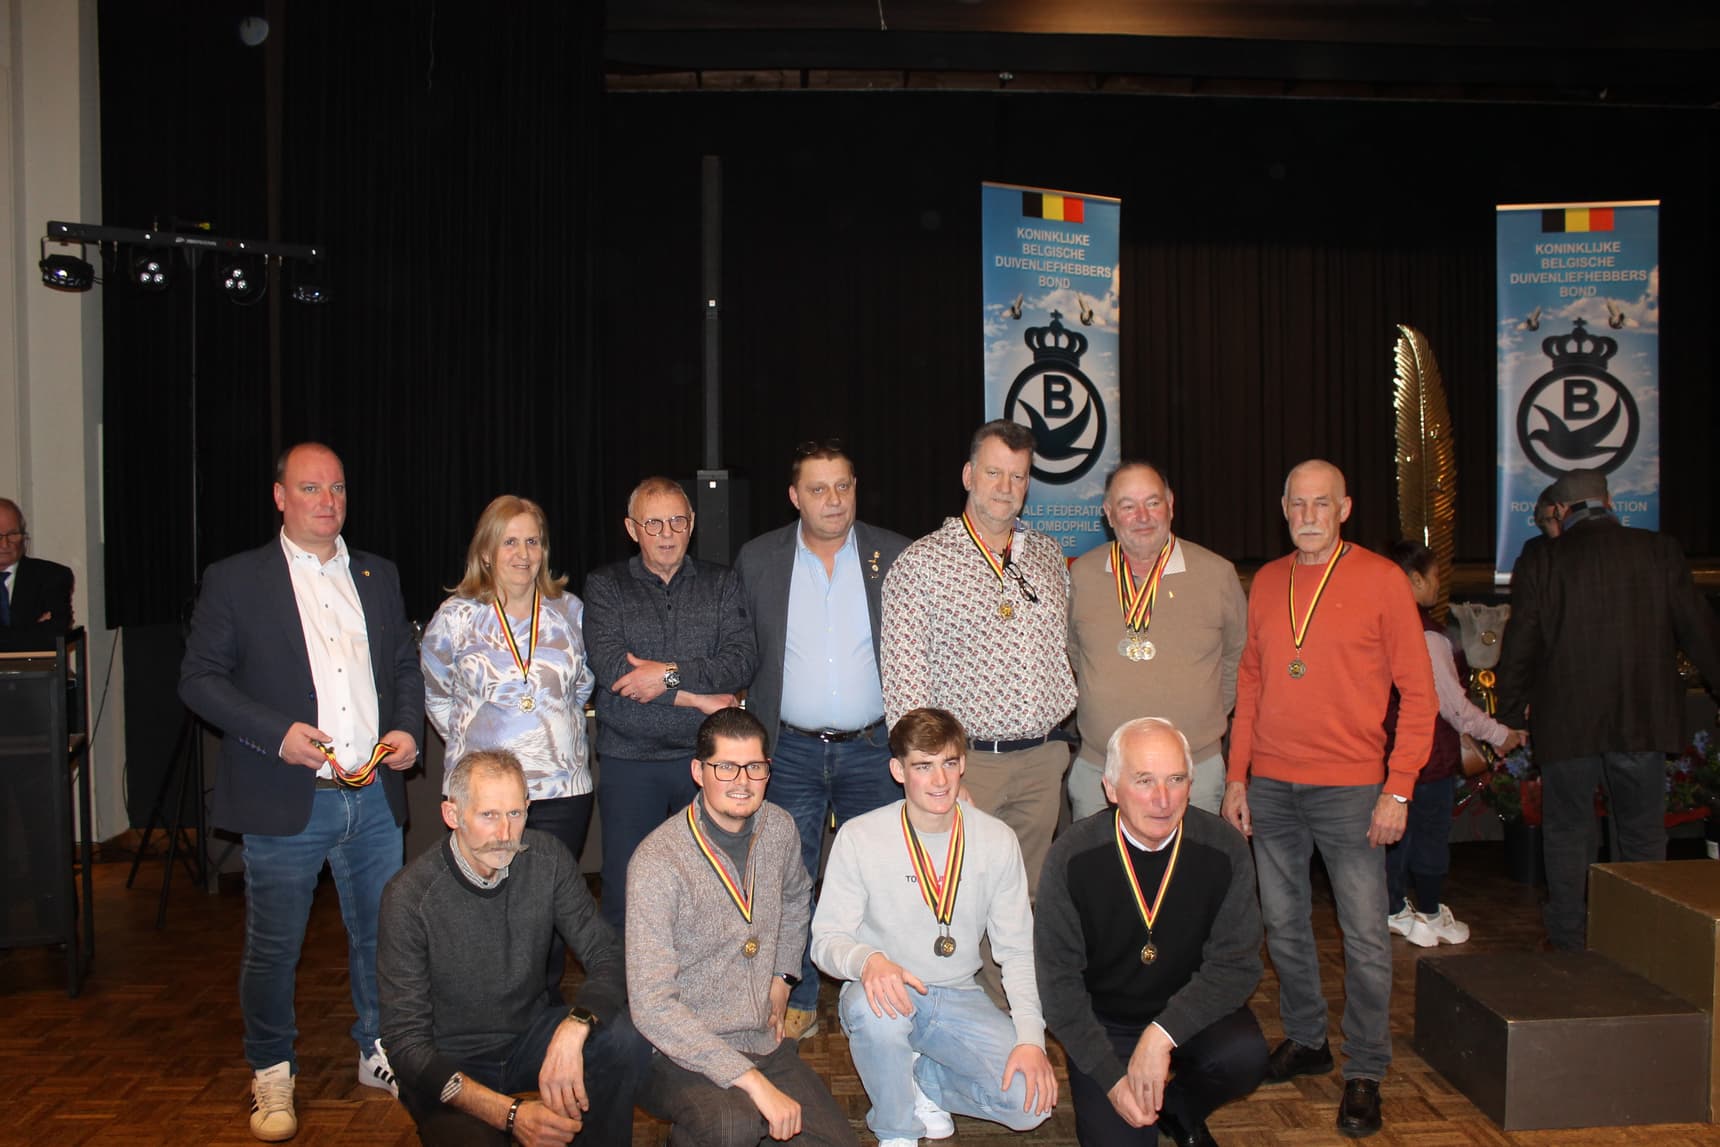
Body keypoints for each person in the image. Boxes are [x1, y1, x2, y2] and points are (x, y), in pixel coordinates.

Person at [179, 442, 423, 1142]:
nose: (327, 501)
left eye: (337, 488)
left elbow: (403, 666)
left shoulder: (378, 573)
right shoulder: (236, 579)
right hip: (287, 794)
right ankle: (271, 1067)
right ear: (280, 496)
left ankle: (377, 1049)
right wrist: (274, 733)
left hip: (371, 793)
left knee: (381, 935)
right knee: (274, 945)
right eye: (310, 488)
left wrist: (407, 728)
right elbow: (198, 679)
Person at [1221, 459, 1436, 1139]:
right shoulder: (1267, 581)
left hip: (1352, 790)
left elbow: (1420, 694)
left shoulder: (1382, 579)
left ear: (1345, 508)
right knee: (1283, 925)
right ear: (1283, 508)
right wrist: (1236, 776)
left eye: (1322, 503)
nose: (1308, 515)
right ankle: (1308, 1039)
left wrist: (1399, 787)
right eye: (1297, 503)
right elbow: (1250, 682)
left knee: (1366, 935)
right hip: (1272, 786)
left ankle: (1365, 1067)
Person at [378, 749, 653, 1147]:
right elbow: (406, 1046)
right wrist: (511, 1115)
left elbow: (607, 954)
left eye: (515, 814)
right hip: (451, 1062)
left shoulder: (546, 859)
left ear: (528, 808)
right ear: (453, 815)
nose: (505, 833)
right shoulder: (409, 897)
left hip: (527, 1037)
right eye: (488, 815)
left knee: (622, 1035)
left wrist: (576, 1024)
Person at [1496, 467, 1720, 951]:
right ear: (1609, 502)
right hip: (1642, 718)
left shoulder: (1542, 558)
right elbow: (1699, 630)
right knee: (1641, 836)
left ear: (1560, 510)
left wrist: (1510, 714)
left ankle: (1569, 939)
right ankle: (1638, 943)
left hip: (1567, 725)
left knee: (1567, 833)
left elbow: (1521, 642)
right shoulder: (1659, 550)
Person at [810, 708, 1056, 1146]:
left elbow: (1018, 950)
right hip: (887, 991)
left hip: (959, 995)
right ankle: (896, 1129)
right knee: (874, 1011)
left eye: (949, 763)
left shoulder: (996, 839)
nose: (940, 780)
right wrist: (868, 960)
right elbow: (825, 941)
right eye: (923, 766)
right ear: (898, 771)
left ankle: (922, 1078)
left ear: (963, 764)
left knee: (1030, 1104)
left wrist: (1031, 1040)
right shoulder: (861, 836)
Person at [735, 439, 910, 1038]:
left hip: (876, 749)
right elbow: (740, 652)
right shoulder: (759, 560)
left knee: (883, 877)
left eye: (843, 486)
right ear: (794, 496)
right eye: (818, 489)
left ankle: (880, 992)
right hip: (789, 750)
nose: (833, 500)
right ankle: (799, 993)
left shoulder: (896, 554)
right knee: (789, 876)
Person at [625, 708, 858, 1147]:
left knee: (836, 1143)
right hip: (679, 1050)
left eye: (754, 767)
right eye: (726, 767)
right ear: (698, 771)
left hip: (760, 1038)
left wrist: (784, 976)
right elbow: (652, 1005)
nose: (743, 781)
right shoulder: (657, 862)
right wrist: (752, 1082)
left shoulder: (779, 828)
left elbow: (796, 898)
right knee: (734, 1126)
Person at [1039, 717, 1267, 1147]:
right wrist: (1111, 1079)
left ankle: (1178, 1108)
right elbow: (1058, 987)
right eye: (1144, 781)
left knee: (1243, 1055)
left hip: (1189, 1012)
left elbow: (1237, 966)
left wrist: (1161, 1036)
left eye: (1176, 780)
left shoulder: (1225, 848)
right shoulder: (1072, 857)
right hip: (1106, 1024)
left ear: (1191, 784)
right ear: (1110, 788)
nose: (1163, 799)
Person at [880, 420, 1076, 893]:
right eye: (994, 473)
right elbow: (906, 684)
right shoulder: (922, 563)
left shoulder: (1048, 555)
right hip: (968, 764)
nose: (1006, 487)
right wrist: (939, 770)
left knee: (1025, 898)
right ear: (969, 476)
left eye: (1018, 476)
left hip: (1042, 763)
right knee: (960, 896)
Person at [421, 495, 597, 998]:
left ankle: (543, 1009)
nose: (523, 554)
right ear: (486, 551)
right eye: (510, 542)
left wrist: (547, 728)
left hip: (561, 789)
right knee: (488, 904)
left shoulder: (570, 611)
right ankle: (488, 1011)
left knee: (547, 907)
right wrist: (476, 749)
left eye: (533, 541)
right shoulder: (456, 616)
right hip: (486, 797)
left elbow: (581, 688)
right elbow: (437, 696)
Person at [583, 476, 758, 931]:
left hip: (704, 764)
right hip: (629, 763)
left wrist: (666, 675)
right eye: (654, 523)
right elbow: (615, 673)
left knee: (711, 889)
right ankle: (625, 980)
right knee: (627, 888)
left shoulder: (722, 583)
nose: (667, 534)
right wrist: (697, 697)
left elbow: (740, 662)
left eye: (677, 521)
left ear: (692, 523)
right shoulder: (605, 586)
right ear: (632, 528)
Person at [1067, 463, 1247, 819]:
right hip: (1100, 770)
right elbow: (1075, 653)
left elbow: (1237, 658)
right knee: (1097, 858)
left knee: (1190, 858)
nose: (1143, 517)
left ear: (1171, 505)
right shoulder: (1083, 574)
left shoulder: (1216, 574)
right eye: (1128, 506)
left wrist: (1203, 716)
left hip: (1193, 771)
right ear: (1109, 514)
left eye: (1153, 502)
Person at [1382, 541, 1525, 948]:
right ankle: (1428, 914)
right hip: (1427, 756)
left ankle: (1394, 909)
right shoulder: (1427, 635)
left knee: (1394, 838)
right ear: (1414, 579)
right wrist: (1500, 734)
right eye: (1434, 577)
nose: (1437, 586)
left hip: (1386, 752)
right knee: (1427, 836)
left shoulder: (1377, 625)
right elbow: (1453, 706)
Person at [0, 496, 74, 651]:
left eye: (13, 534)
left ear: (23, 537)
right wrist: (31, 629)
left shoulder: (52, 577)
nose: (5, 544)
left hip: (33, 667)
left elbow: (53, 636)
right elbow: (38, 637)